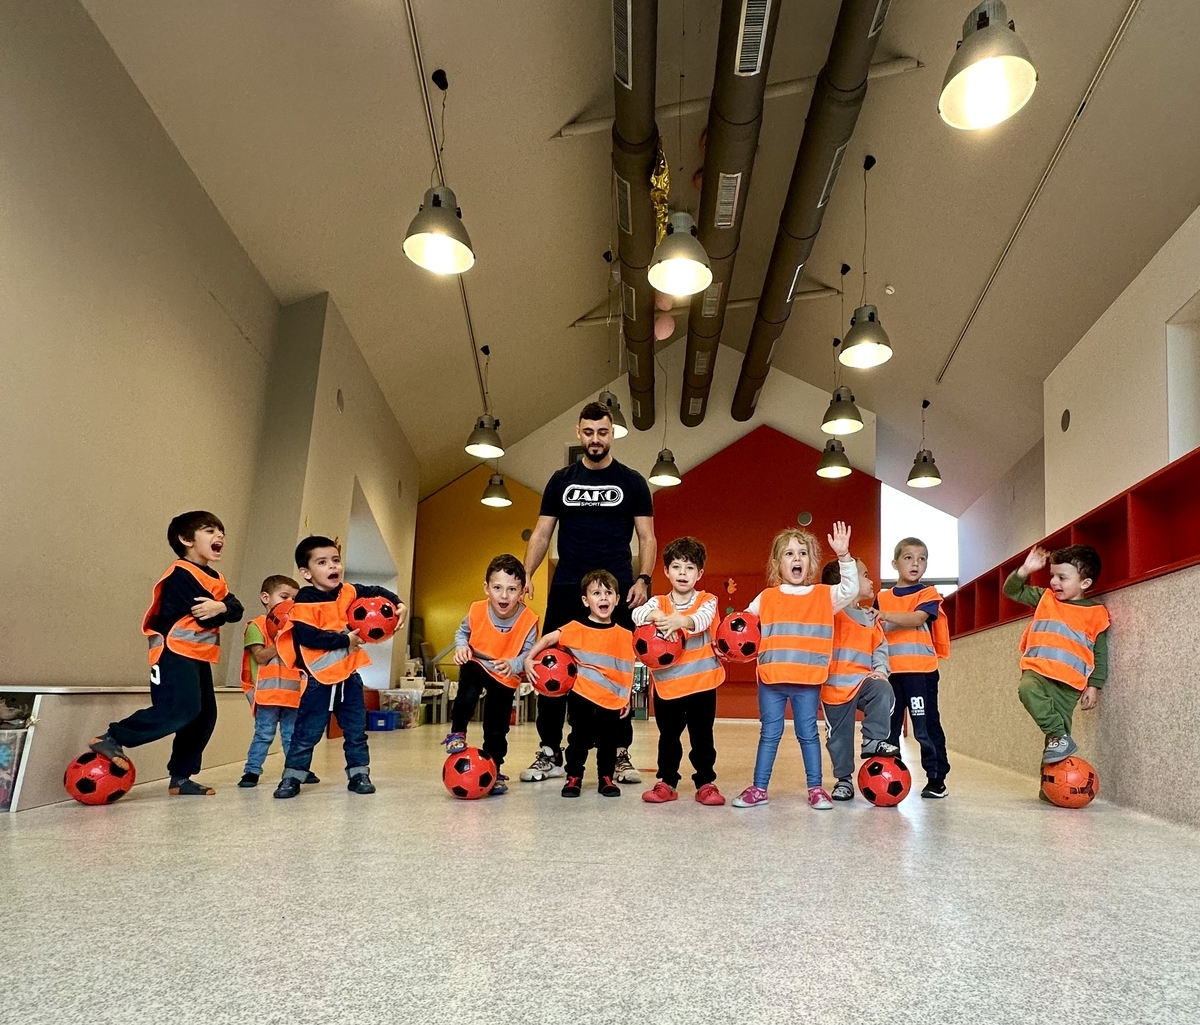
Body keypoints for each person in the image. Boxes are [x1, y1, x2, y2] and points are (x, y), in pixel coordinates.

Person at [519, 401, 656, 785]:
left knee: (619, 669)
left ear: (612, 434)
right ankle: (550, 751)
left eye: (603, 432)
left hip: (617, 588)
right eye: (589, 432)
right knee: (552, 662)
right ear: (579, 433)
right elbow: (542, 532)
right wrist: (528, 572)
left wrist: (643, 579)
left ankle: (620, 753)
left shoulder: (632, 482)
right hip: (568, 585)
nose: (596, 439)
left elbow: (647, 536)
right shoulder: (561, 480)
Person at [89, 510, 244, 796]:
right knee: (181, 709)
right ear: (186, 539)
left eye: (221, 531)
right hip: (173, 652)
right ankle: (112, 737)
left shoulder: (216, 578)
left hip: (197, 654)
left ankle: (181, 778)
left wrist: (221, 606)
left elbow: (236, 610)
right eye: (210, 530)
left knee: (204, 715)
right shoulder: (181, 575)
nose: (220, 535)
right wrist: (221, 608)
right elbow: (204, 617)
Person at [732, 523, 858, 811]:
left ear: (811, 562)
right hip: (772, 680)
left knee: (808, 735)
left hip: (807, 680)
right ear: (777, 563)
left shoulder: (824, 595)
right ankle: (759, 788)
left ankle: (816, 789)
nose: (797, 558)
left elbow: (850, 589)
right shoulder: (766, 597)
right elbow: (743, 627)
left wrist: (844, 556)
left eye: (803, 553)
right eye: (789, 553)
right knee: (769, 734)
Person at [271, 536, 406, 799]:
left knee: (356, 730)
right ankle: (292, 777)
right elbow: (308, 637)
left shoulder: (348, 592)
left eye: (335, 560)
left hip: (349, 678)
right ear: (306, 573)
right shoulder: (305, 600)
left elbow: (376, 589)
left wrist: (398, 603)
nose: (332, 566)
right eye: (322, 562)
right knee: (307, 731)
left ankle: (359, 774)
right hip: (318, 680)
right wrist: (346, 640)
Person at [631, 536, 726, 806]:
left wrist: (680, 621)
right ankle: (667, 782)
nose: (683, 573)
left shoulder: (708, 600)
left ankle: (705, 783)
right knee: (668, 738)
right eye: (676, 566)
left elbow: (702, 620)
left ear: (699, 573)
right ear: (666, 571)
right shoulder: (658, 603)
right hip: (668, 687)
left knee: (702, 738)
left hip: (701, 684)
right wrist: (655, 616)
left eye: (689, 567)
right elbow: (637, 615)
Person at [524, 570, 634, 798]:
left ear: (617, 599)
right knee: (578, 739)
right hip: (581, 697)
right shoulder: (575, 628)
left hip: (610, 698)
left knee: (608, 741)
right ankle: (574, 777)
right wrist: (528, 658)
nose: (603, 598)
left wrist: (626, 697)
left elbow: (626, 669)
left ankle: (606, 778)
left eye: (608, 593)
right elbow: (548, 638)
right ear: (585, 600)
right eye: (596, 593)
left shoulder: (624, 635)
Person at [441, 554, 540, 795]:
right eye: (497, 588)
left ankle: (494, 770)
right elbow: (462, 633)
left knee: (497, 726)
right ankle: (457, 732)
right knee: (468, 690)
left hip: (504, 673)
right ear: (487, 588)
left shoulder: (529, 620)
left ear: (522, 591)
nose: (504, 595)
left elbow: (529, 654)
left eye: (512, 589)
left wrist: (513, 664)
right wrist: (462, 647)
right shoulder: (476, 609)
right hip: (477, 662)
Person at [1006, 544, 1110, 767]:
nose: (1054, 582)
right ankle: (1059, 735)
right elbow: (1012, 591)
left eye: (1062, 577)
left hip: (1068, 685)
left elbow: (1100, 654)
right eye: (1052, 575)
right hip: (1037, 671)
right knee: (1027, 690)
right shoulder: (1045, 598)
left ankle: (1052, 782)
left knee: (1056, 746)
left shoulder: (1096, 613)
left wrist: (1094, 686)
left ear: (1085, 583)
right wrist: (1025, 570)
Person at [819, 559, 900, 802]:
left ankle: (873, 740)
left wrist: (881, 671)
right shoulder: (830, 613)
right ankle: (843, 780)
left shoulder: (871, 617)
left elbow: (880, 648)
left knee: (883, 689)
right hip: (835, 689)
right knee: (839, 739)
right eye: (865, 575)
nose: (871, 580)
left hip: (864, 681)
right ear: (849, 581)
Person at [877, 537, 952, 799]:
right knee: (889, 728)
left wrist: (885, 615)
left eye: (922, 559)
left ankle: (936, 779)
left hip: (921, 672)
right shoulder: (881, 598)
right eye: (908, 558)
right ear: (895, 563)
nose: (915, 563)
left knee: (925, 727)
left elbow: (918, 618)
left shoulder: (927, 594)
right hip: (890, 674)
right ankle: (887, 777)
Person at [237, 574, 315, 789]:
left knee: (292, 735)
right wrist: (280, 641)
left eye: (294, 599)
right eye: (284, 596)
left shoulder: (296, 629)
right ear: (266, 597)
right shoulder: (256, 626)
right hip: (267, 693)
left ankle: (296, 770)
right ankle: (251, 771)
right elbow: (260, 657)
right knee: (264, 734)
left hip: (292, 693)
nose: (289, 602)